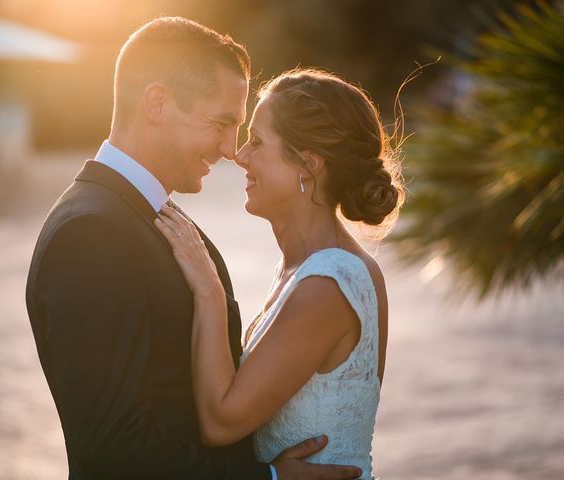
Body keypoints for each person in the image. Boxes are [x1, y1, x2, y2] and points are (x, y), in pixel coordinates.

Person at [26, 17, 362, 480]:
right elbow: (111, 443)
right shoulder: (91, 232)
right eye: (221, 123)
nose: (230, 149)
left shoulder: (156, 218)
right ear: (157, 103)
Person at [155, 68, 405, 480]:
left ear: (308, 165)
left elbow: (220, 423)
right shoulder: (306, 269)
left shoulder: (328, 286)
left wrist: (207, 289)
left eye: (257, 142)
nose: (239, 156)